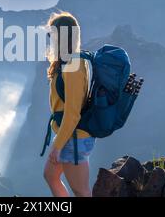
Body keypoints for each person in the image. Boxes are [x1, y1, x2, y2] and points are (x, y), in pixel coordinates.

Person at [43, 11, 95, 197]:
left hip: (75, 138)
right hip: (67, 135)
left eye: (52, 35)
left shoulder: (74, 66)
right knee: (50, 175)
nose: (50, 39)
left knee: (81, 191)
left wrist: (58, 146)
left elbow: (73, 113)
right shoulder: (65, 62)